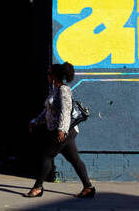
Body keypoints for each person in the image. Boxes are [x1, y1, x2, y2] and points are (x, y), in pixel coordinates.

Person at [25, 62, 96, 198]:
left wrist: (62, 130)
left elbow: (65, 110)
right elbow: (48, 111)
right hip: (62, 131)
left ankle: (38, 187)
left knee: (46, 155)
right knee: (75, 160)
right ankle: (88, 187)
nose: (47, 75)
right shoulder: (55, 90)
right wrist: (36, 121)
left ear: (54, 76)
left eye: (48, 73)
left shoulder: (64, 90)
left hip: (64, 130)